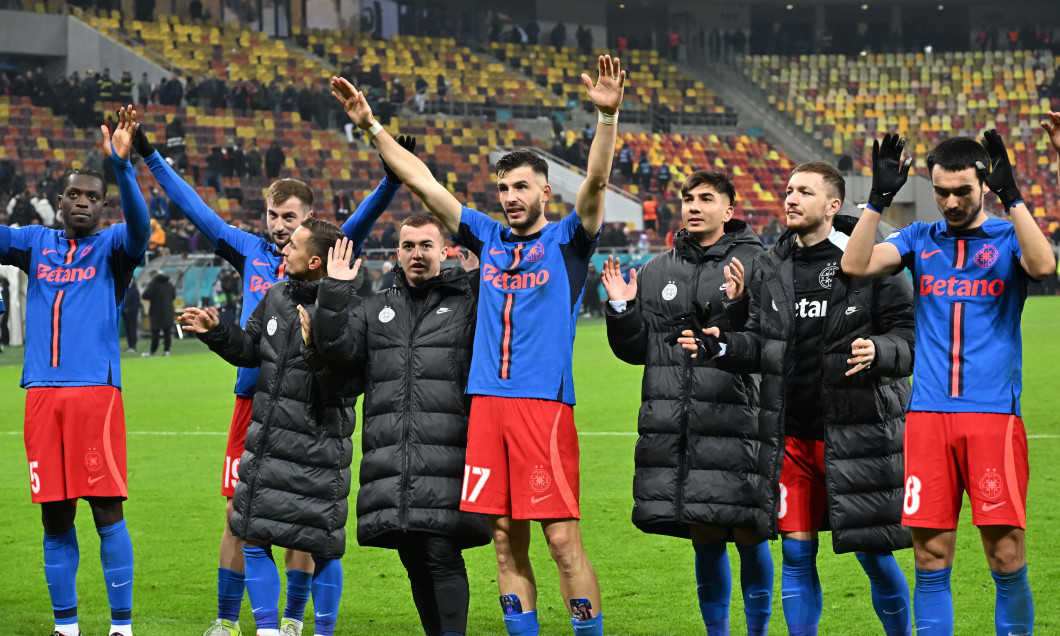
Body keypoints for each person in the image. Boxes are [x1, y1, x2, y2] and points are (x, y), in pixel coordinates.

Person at [330, 52, 625, 636]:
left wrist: (607, 121)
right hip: (484, 407)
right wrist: (371, 127)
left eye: (521, 186)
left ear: (545, 191)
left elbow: (595, 182)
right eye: (503, 187)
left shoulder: (570, 241)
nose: (511, 196)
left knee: (563, 542)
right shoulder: (486, 236)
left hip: (542, 406)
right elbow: (419, 179)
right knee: (501, 541)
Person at [132, 125, 410, 636]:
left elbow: (366, 216)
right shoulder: (252, 253)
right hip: (253, 402)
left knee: (304, 523)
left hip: (313, 401)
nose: (280, 227)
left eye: (290, 218)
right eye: (273, 216)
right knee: (241, 513)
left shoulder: (325, 252)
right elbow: (195, 208)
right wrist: (150, 156)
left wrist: (391, 181)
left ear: (310, 221)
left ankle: (291, 618)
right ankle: (225, 616)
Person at [840, 119, 1060, 636]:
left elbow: (1044, 265)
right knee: (930, 555)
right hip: (928, 419)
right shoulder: (919, 237)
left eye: (962, 191)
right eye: (941, 191)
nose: (950, 202)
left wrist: (1013, 196)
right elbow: (855, 264)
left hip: (992, 418)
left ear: (983, 186)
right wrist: (875, 201)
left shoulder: (1008, 238)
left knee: (1005, 555)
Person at [682, 161, 916, 636]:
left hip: (856, 433)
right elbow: (758, 342)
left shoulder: (870, 258)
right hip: (791, 437)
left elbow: (909, 335)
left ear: (832, 205)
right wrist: (721, 344)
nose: (790, 198)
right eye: (788, 190)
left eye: (804, 192)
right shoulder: (770, 264)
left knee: (873, 551)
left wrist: (882, 349)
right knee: (795, 552)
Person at [602, 169, 773, 635]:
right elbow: (638, 350)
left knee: (748, 530)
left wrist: (739, 307)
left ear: (729, 210)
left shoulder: (758, 264)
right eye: (688, 199)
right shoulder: (657, 270)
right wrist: (621, 309)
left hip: (738, 418)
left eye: (706, 198)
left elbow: (767, 342)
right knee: (704, 533)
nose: (694, 206)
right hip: (677, 423)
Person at [0, 107, 148, 636]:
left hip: (95, 396)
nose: (82, 202)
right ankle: (66, 628)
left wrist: (123, 166)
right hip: (41, 396)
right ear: (59, 202)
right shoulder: (35, 244)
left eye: (92, 196)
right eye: (74, 195)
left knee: (107, 511)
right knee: (54, 516)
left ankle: (121, 627)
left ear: (102, 206)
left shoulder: (113, 248)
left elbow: (141, 228)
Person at [309, 217, 492, 636]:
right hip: (392, 454)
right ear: (397, 253)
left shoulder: (466, 300)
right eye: (408, 245)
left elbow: (500, 330)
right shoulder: (375, 306)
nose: (417, 253)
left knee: (442, 551)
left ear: (444, 251)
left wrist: (481, 278)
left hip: (448, 451)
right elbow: (338, 349)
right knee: (412, 555)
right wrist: (335, 288)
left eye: (426, 245)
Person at [180, 217, 356, 636]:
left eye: (292, 245)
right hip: (269, 442)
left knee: (322, 545)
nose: (282, 250)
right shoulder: (276, 295)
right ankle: (268, 629)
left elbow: (348, 383)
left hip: (319, 448)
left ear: (315, 260)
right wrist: (218, 332)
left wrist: (320, 343)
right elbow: (251, 349)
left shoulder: (349, 308)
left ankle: (308, 625)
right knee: (254, 535)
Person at [141, 269, 176, 356]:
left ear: (153, 276)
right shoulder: (169, 284)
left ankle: (153, 351)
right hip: (168, 311)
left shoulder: (153, 284)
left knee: (155, 333)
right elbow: (173, 296)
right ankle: (166, 351)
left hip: (156, 312)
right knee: (167, 332)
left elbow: (145, 295)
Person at [122, 277, 141, 353]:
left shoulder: (135, 290)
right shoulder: (125, 289)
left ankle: (133, 346)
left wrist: (129, 310)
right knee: (127, 330)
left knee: (132, 329)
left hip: (132, 314)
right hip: (125, 313)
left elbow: (136, 304)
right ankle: (130, 345)